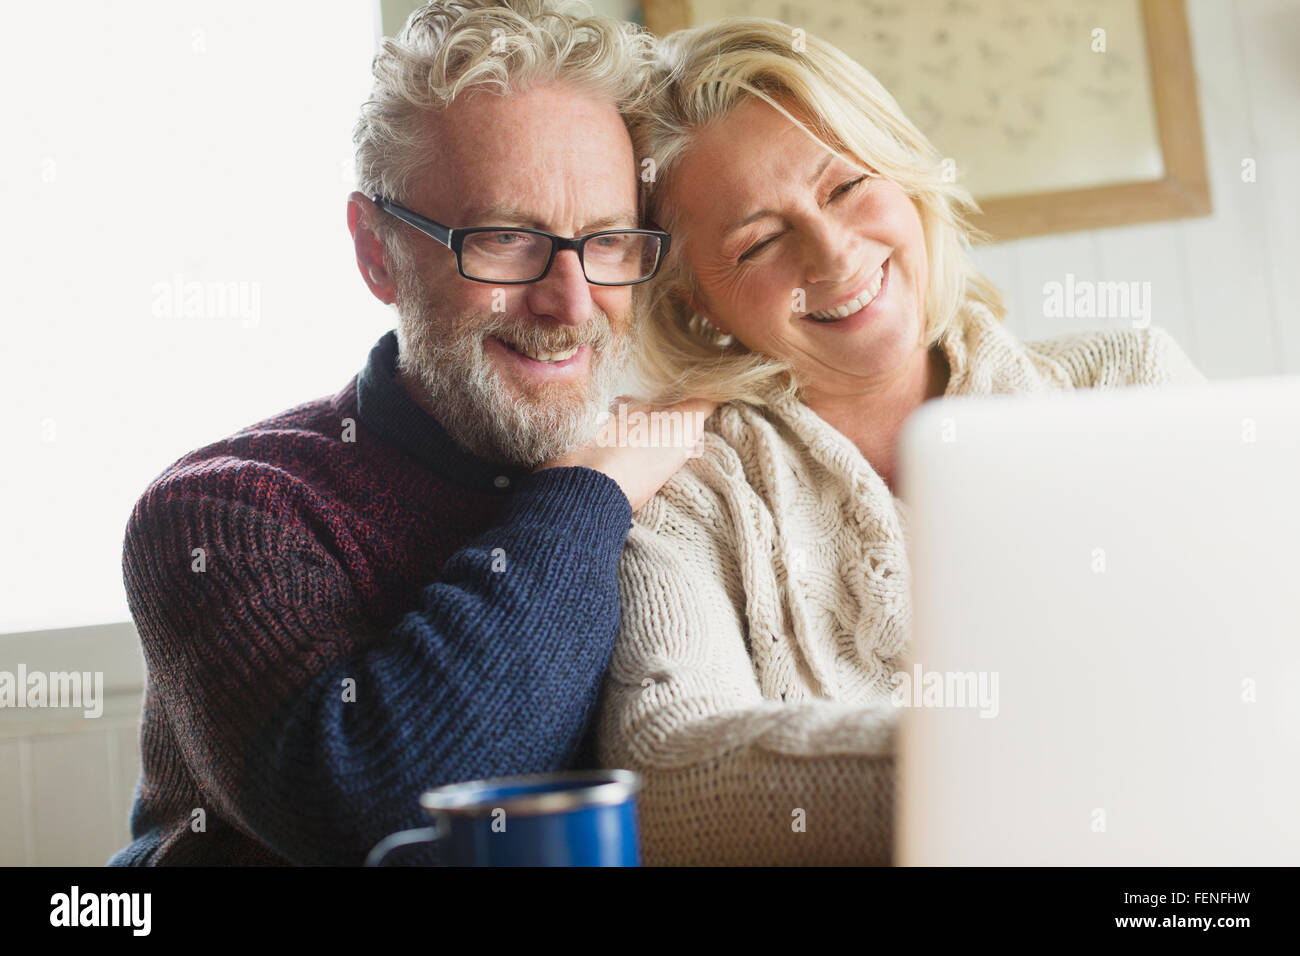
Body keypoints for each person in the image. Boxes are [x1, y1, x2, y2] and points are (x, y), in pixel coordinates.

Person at [108, 0, 709, 866]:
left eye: (608, 242)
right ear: (377, 250)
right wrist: (590, 492)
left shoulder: (681, 471)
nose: (573, 305)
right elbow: (382, 809)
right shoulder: (218, 512)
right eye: (507, 240)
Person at [595, 18, 1207, 865]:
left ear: (903, 172)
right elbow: (667, 769)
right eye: (761, 241)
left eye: (845, 187)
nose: (834, 253)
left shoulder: (1128, 378)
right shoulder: (685, 489)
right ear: (696, 299)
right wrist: (1037, 760)